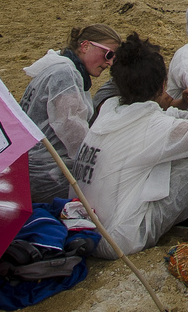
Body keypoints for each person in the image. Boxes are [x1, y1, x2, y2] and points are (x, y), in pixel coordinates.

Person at [80, 35, 188, 257]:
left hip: (82, 227)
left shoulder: (110, 107)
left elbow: (166, 113)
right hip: (116, 240)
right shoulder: (155, 128)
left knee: (162, 157)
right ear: (163, 86)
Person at [17, 25, 121, 199]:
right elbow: (71, 128)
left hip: (32, 167)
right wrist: (101, 159)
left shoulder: (55, 66)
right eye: (108, 54)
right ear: (85, 46)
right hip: (46, 173)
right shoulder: (65, 73)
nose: (109, 63)